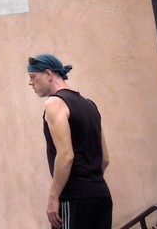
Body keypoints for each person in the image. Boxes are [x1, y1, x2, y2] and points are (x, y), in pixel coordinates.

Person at [27, 53, 111, 229]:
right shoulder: (90, 105)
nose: (30, 83)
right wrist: (90, 185)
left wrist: (53, 198)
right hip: (101, 195)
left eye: (33, 77)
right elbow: (104, 159)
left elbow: (65, 155)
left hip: (74, 197)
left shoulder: (55, 103)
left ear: (49, 74)